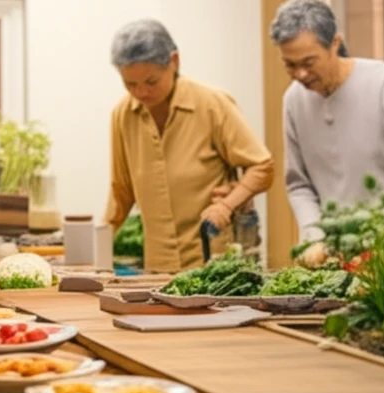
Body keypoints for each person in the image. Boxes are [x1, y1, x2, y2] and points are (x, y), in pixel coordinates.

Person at [269, 0, 384, 243]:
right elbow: (299, 184)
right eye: (290, 65)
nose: (300, 74)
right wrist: (313, 234)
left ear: (334, 43)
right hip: (332, 249)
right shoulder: (293, 100)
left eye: (309, 62)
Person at [102, 19, 274, 272]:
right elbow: (121, 192)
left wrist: (227, 204)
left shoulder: (212, 104)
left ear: (174, 61)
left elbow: (262, 166)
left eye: (151, 82)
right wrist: (95, 252)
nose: (141, 92)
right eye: (130, 84)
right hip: (157, 268)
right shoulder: (122, 115)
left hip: (215, 263)